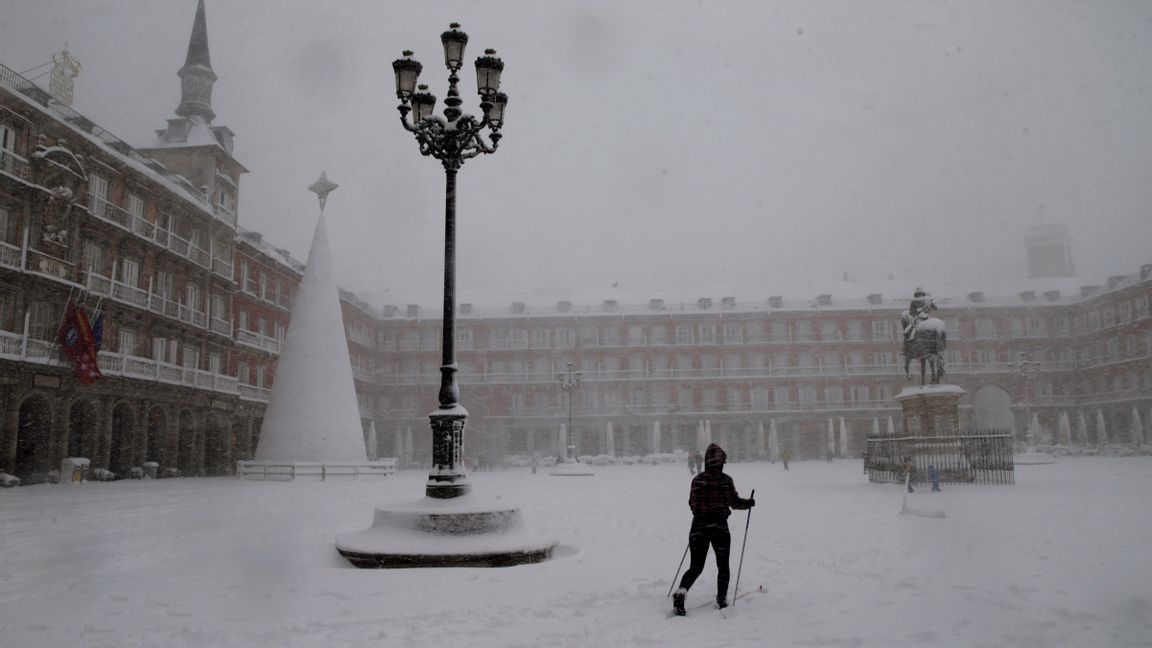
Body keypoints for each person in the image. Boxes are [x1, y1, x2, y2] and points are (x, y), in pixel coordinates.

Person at [672, 443, 755, 616]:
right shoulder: (725, 480)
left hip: (699, 527)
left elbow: (692, 504)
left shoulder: (698, 480)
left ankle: (681, 591)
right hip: (719, 528)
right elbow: (734, 502)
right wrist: (748, 503)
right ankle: (722, 599)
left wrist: (702, 514)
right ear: (721, 461)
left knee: (695, 566)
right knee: (723, 565)